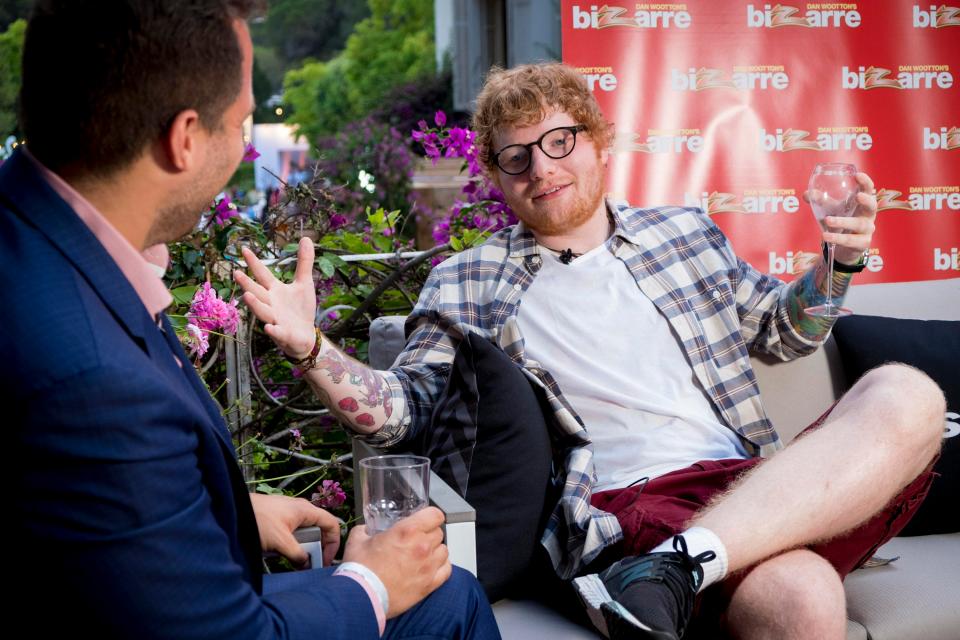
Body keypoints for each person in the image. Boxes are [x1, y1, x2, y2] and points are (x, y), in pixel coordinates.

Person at [236, 63, 944, 640]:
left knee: (910, 394)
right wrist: (311, 347)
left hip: (749, 485)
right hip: (624, 508)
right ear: (497, 176)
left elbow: (784, 332)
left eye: (559, 142)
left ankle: (680, 570)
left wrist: (839, 261)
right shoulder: (468, 279)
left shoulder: (685, 236)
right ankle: (665, 568)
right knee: (802, 594)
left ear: (600, 143)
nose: (540, 169)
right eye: (516, 157)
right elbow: (401, 411)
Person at [3, 2, 500, 638]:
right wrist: (372, 580)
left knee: (450, 595)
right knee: (446, 596)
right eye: (242, 124)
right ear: (183, 139)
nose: (244, 144)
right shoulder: (90, 378)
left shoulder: (38, 240)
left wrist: (229, 511)